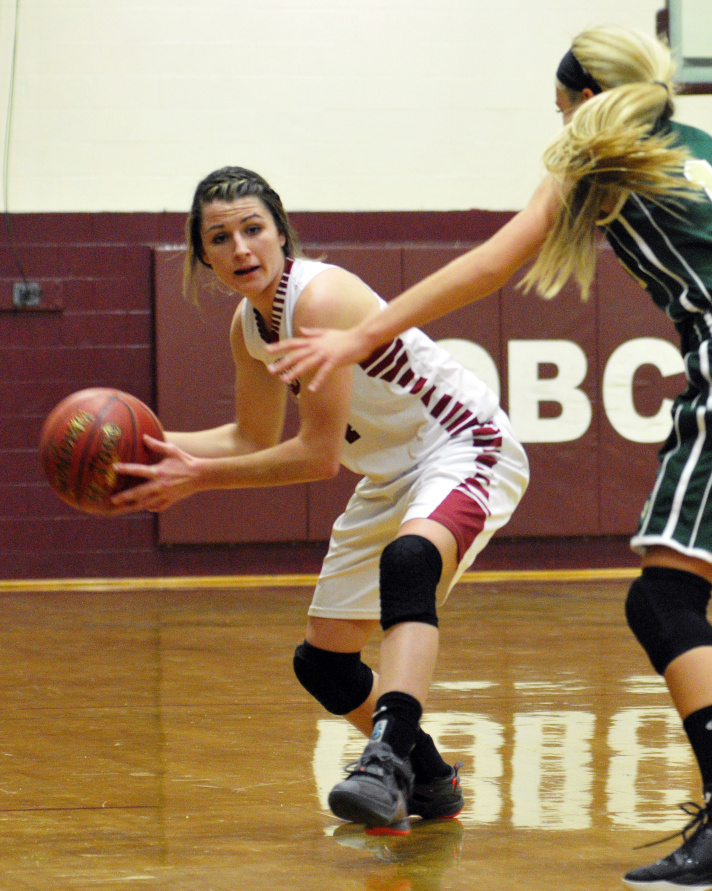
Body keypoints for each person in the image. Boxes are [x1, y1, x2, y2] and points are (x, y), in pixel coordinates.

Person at [266, 26, 712, 890]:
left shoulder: (601, 148)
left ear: (586, 97)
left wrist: (363, 331)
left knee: (664, 600)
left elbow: (493, 263)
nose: (558, 124)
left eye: (559, 108)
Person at [111, 166, 529, 837]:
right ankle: (430, 778)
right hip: (391, 473)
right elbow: (248, 435)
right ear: (205, 256)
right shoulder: (249, 326)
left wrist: (197, 478)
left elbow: (316, 456)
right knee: (325, 661)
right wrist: (150, 449)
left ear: (280, 232)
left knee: (410, 560)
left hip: (462, 443)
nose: (241, 246)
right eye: (222, 236)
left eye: (253, 228)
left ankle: (385, 761)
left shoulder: (321, 297)